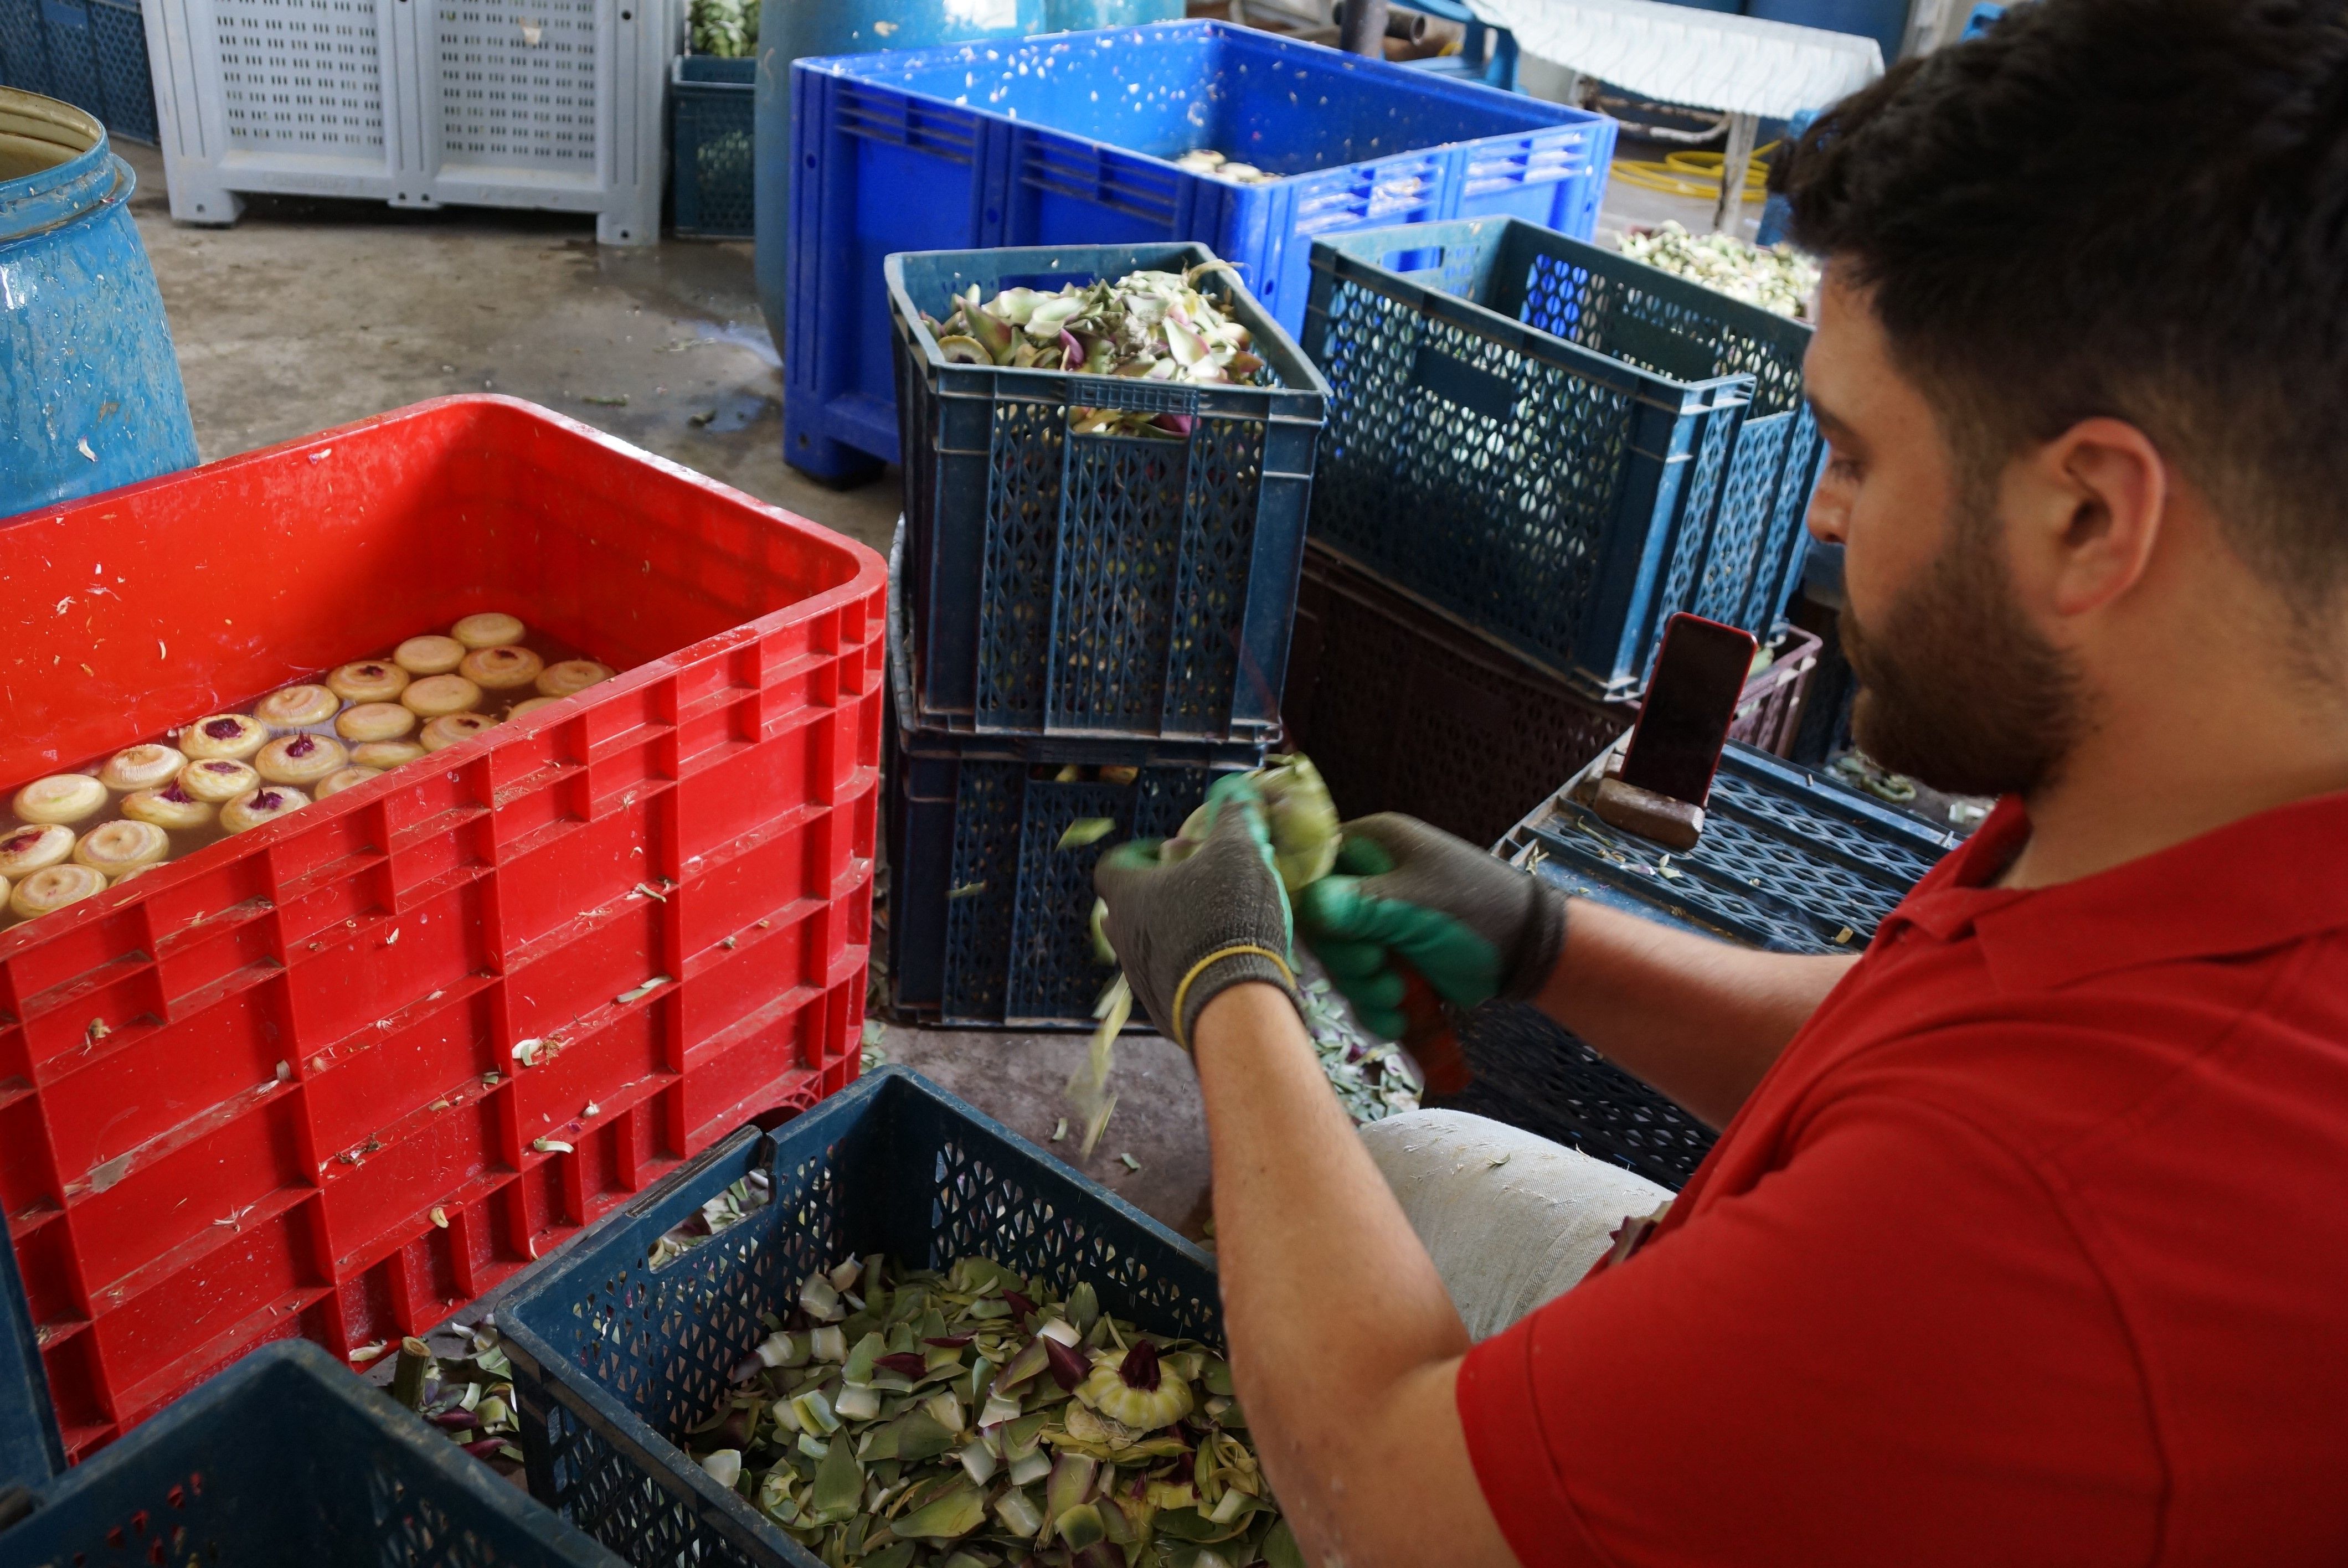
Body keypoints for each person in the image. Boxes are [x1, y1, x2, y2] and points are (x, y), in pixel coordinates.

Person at [1089, 2, 2348, 1562]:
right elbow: (1907, 1032)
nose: (1820, 515)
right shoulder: (2198, 777)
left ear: (2091, 516)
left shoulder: (2049, 1205)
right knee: (1396, 1166)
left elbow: (1386, 1495)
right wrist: (1545, 944)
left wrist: (1226, 989)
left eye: (1855, 453)